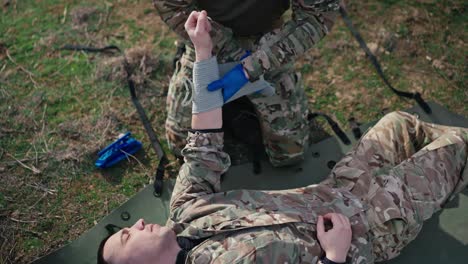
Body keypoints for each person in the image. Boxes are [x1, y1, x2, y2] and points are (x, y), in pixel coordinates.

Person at [99, 11, 468, 264]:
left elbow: (203, 145)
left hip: (339, 188)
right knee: (458, 150)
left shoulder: (186, 212)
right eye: (127, 238)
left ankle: (447, 177)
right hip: (373, 225)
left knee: (400, 123)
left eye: (127, 229)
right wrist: (335, 257)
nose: (136, 225)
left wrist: (204, 53)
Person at [153, 0, 341, 167]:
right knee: (181, 145)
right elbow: (172, 6)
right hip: (208, 39)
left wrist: (252, 66)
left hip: (269, 44)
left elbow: (318, 15)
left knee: (291, 153)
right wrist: (225, 51)